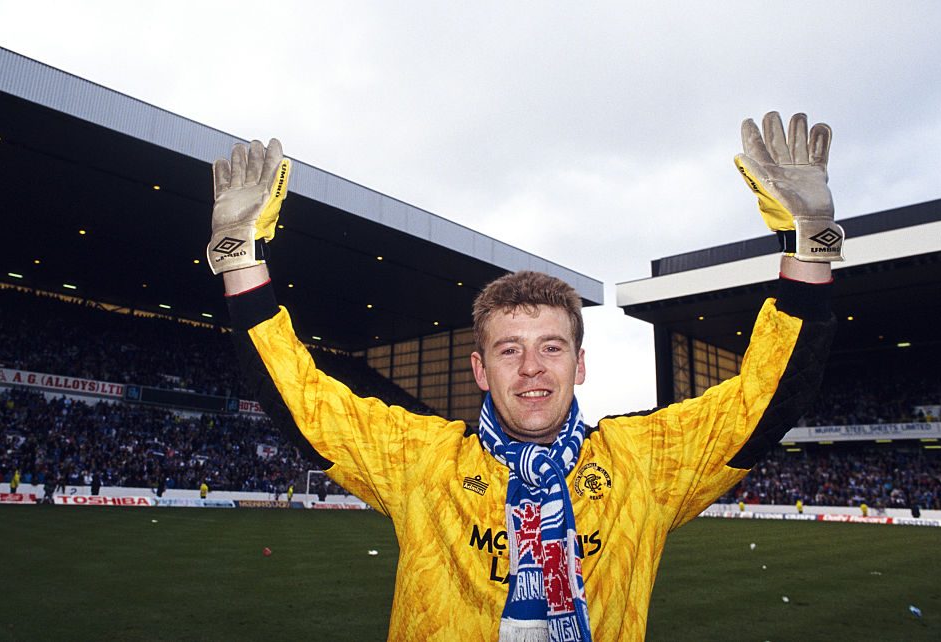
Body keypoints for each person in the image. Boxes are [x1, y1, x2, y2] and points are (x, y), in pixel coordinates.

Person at [207, 112, 839, 641]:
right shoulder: (424, 465)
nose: (532, 368)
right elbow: (304, 401)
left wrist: (808, 243)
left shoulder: (642, 465)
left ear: (581, 364)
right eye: (509, 350)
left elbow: (764, 398)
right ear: (480, 369)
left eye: (552, 348)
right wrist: (240, 257)